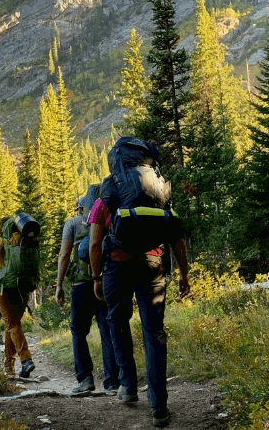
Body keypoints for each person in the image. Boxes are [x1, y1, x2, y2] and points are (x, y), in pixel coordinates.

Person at [88, 175, 191, 428]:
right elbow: (176, 238)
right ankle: (159, 407)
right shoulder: (157, 196)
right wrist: (184, 274)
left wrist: (96, 277)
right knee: (154, 331)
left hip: (117, 265)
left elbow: (93, 243)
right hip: (153, 264)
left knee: (118, 323)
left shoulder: (106, 196)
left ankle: (128, 386)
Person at [55, 184, 120, 395]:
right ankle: (112, 382)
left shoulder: (72, 224)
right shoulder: (110, 219)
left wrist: (58, 285)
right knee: (107, 331)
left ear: (81, 207)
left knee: (78, 332)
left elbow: (64, 255)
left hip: (81, 285)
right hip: (104, 281)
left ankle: (85, 379)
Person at [0, 217, 36, 378]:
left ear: (1, 230)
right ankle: (9, 365)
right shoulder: (24, 240)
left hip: (5, 288)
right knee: (11, 325)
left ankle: (26, 360)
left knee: (12, 323)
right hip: (24, 288)